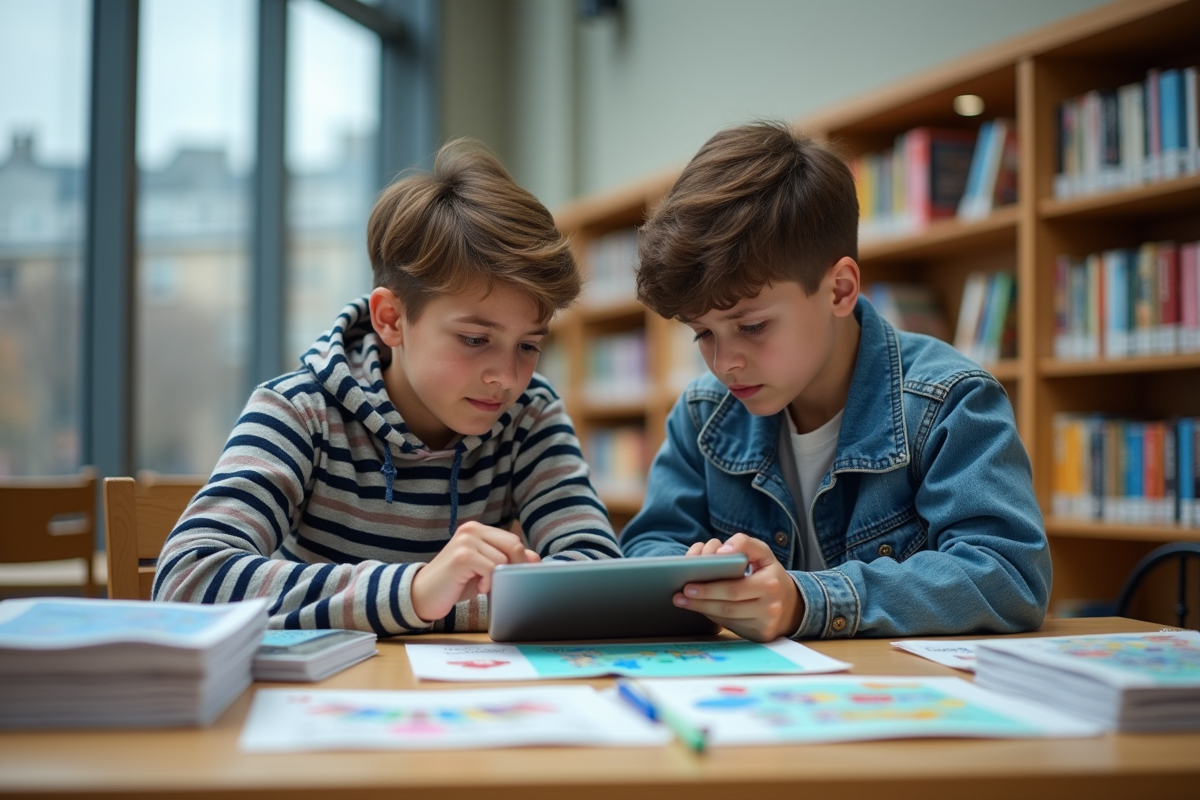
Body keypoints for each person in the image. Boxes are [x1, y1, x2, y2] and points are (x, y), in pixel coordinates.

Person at [153, 140, 620, 633]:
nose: (506, 378)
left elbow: (596, 578)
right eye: (475, 339)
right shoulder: (298, 410)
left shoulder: (531, 413)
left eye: (528, 346)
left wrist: (437, 600)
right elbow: (188, 580)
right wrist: (417, 592)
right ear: (391, 319)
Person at [621, 120, 1051, 643]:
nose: (724, 362)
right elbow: (648, 548)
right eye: (702, 334)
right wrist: (695, 575)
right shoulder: (702, 415)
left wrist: (806, 600)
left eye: (752, 327)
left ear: (840, 290)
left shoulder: (948, 402)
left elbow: (1008, 576)